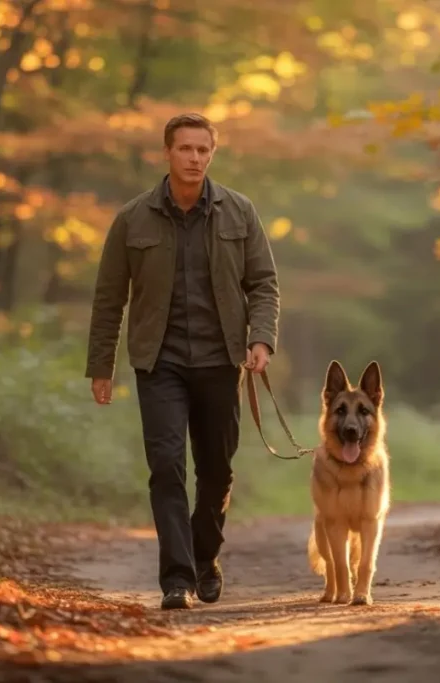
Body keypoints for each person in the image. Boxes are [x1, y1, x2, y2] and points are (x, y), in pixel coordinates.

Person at [84, 113, 281, 610]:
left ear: (212, 153)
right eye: (185, 149)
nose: (195, 158)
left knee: (216, 470)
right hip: (160, 363)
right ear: (167, 153)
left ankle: (204, 554)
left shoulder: (239, 212)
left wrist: (261, 339)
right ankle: (177, 578)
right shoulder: (133, 218)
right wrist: (102, 365)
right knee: (167, 466)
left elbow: (263, 284)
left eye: (203, 150)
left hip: (221, 360)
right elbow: (109, 298)